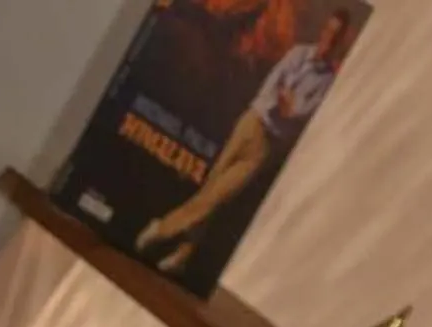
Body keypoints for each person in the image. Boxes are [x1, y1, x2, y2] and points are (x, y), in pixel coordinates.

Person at [136, 7, 353, 277]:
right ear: (324, 31)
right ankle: (183, 255)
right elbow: (274, 86)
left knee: (217, 196)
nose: (329, 39)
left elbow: (299, 114)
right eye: (328, 31)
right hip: (250, 123)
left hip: (266, 146)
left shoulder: (328, 81)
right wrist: (284, 103)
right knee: (210, 186)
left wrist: (287, 104)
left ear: (342, 40)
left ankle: (161, 228)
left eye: (336, 35)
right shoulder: (298, 53)